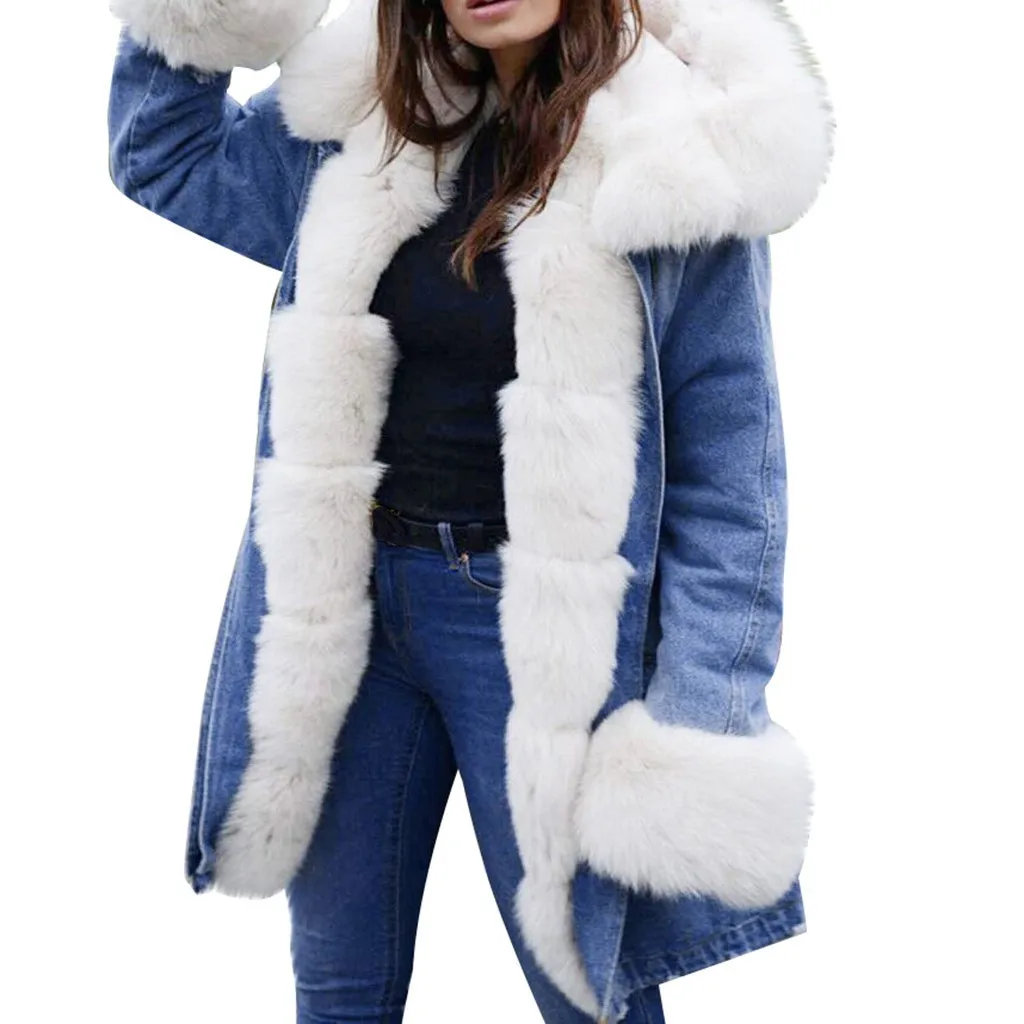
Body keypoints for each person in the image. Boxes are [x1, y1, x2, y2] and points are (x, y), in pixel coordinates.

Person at [106, 1, 834, 1021]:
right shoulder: (370, 122)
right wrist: (219, 15)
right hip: (348, 614)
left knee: (588, 995)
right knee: (339, 995)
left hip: (542, 639)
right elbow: (164, 153)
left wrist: (701, 715)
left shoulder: (673, 152)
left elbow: (733, 480)